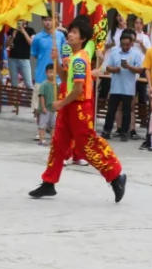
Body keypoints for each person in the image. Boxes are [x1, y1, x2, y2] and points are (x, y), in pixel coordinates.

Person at [28, 15, 126, 202]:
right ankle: (49, 182)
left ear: (82, 39)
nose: (70, 35)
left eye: (74, 33)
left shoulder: (80, 60)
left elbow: (78, 89)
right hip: (69, 106)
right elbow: (65, 80)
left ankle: (115, 176)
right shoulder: (72, 57)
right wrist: (56, 62)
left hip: (79, 108)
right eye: (70, 31)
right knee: (58, 143)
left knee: (86, 145)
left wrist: (60, 104)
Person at [101, 29, 144, 140]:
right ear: (120, 43)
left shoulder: (136, 54)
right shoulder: (114, 52)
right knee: (111, 110)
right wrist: (114, 69)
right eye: (123, 44)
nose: (125, 46)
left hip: (128, 88)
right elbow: (107, 67)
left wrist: (129, 67)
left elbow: (140, 70)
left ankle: (125, 132)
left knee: (127, 112)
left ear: (131, 44)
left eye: (128, 44)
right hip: (115, 87)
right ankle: (107, 130)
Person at [30, 13, 66, 117]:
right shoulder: (37, 38)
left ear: (55, 20)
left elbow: (64, 54)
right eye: (45, 20)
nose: (48, 22)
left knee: (55, 106)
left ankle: (53, 130)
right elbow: (35, 55)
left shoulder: (61, 36)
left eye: (50, 19)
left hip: (58, 78)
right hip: (41, 76)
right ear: (42, 21)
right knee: (38, 107)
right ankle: (40, 130)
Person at [6, 20, 35, 89]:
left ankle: (31, 99)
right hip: (12, 59)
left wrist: (23, 31)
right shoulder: (12, 29)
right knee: (14, 83)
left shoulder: (30, 30)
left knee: (28, 83)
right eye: (20, 19)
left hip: (24, 59)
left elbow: (31, 43)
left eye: (23, 19)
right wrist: (13, 36)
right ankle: (14, 99)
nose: (21, 21)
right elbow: (7, 45)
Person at [36, 63, 56, 144]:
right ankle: (42, 139)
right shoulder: (44, 84)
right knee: (42, 125)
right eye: (50, 72)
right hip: (45, 109)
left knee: (53, 125)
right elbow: (41, 96)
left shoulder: (55, 85)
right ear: (46, 73)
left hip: (53, 109)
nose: (52, 74)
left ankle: (53, 140)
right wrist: (43, 107)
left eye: (53, 72)